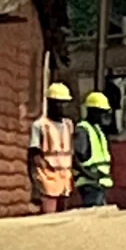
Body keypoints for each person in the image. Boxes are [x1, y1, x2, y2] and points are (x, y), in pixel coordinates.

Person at [27, 82, 76, 213]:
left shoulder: (68, 125)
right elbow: (34, 157)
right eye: (58, 103)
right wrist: (36, 185)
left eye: (64, 103)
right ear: (49, 103)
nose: (62, 106)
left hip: (65, 180)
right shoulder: (40, 125)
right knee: (49, 219)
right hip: (48, 180)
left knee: (64, 219)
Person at [73, 91, 116, 207]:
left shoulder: (97, 129)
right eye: (101, 112)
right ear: (92, 111)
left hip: (99, 183)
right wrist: (91, 175)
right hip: (90, 184)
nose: (104, 115)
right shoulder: (83, 130)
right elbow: (76, 159)